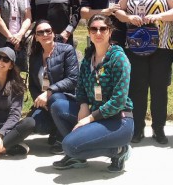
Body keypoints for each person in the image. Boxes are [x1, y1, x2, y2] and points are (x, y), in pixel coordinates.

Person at [115, 0, 173, 144]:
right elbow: (118, 11)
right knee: (137, 88)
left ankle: (159, 128)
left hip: (162, 45)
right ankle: (138, 129)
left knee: (159, 88)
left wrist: (159, 16)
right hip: (136, 45)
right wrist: (129, 18)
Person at [51, 14, 134, 172]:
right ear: (89, 32)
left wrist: (89, 118)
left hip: (118, 120)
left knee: (69, 145)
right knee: (58, 106)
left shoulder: (118, 58)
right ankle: (79, 154)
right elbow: (80, 86)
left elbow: (118, 101)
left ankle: (118, 151)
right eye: (94, 29)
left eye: (103, 29)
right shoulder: (88, 58)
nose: (98, 33)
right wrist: (83, 105)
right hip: (95, 115)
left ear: (110, 32)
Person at [26, 19, 79, 154]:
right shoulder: (35, 57)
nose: (45, 34)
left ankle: (64, 138)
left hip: (66, 99)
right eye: (40, 32)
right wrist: (39, 101)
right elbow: (32, 85)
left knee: (55, 101)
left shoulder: (66, 50)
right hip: (45, 103)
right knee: (35, 123)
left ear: (53, 33)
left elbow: (73, 79)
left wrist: (49, 92)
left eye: (48, 31)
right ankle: (56, 129)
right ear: (36, 37)